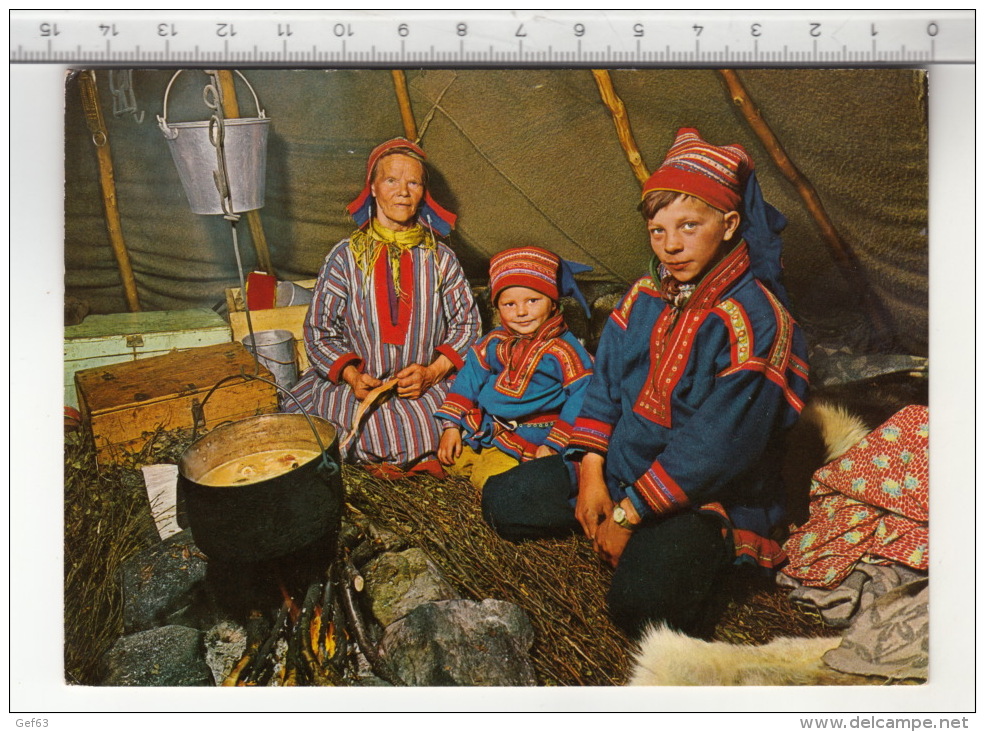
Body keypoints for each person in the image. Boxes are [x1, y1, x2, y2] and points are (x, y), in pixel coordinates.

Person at [482, 128, 810, 638]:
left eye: (688, 225)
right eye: (658, 230)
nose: (671, 245)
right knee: (503, 502)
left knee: (641, 609)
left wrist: (631, 514)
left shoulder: (757, 321)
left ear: (728, 224)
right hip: (621, 468)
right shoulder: (642, 296)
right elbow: (605, 386)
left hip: (704, 494)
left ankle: (692, 555)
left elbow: (718, 447)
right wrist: (591, 472)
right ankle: (634, 531)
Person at [286, 138, 481, 474]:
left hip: (423, 388)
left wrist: (432, 373)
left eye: (413, 182)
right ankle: (405, 458)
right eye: (391, 180)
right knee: (330, 419)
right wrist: (351, 375)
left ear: (423, 193)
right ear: (373, 188)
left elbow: (468, 326)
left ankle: (402, 459)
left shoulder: (441, 258)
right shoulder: (345, 257)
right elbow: (319, 330)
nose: (403, 192)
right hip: (359, 387)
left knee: (448, 415)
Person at [435, 246, 595, 489]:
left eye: (533, 300)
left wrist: (554, 444)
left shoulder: (564, 350)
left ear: (553, 303)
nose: (521, 312)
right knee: (449, 463)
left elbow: (583, 396)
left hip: (533, 435)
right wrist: (451, 426)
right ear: (497, 309)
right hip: (488, 428)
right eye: (509, 304)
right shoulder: (494, 341)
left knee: (492, 482)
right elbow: (469, 378)